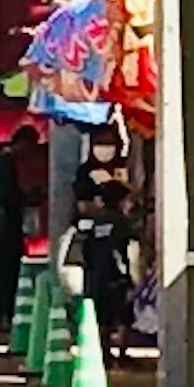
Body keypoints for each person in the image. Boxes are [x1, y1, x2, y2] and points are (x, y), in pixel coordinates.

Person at [67, 139, 141, 348]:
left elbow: (82, 247)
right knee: (123, 314)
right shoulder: (121, 222)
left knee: (101, 315)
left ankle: (103, 349)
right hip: (117, 276)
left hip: (96, 275)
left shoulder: (92, 221)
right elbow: (131, 248)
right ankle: (121, 352)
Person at [0, 125, 39, 337]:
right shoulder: (5, 162)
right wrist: (26, 198)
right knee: (6, 271)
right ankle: (0, 315)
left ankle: (2, 313)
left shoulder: (4, 161)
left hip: (5, 222)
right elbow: (5, 194)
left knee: (6, 271)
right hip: (5, 223)